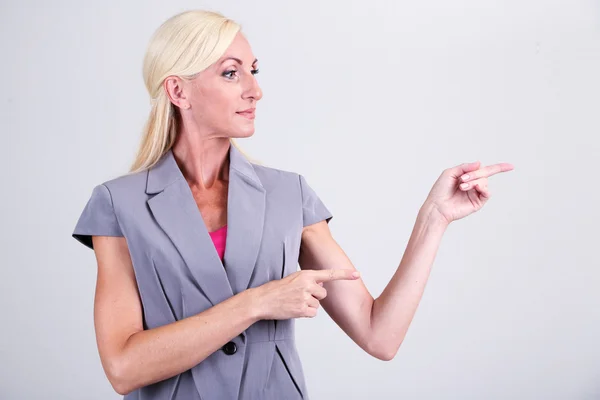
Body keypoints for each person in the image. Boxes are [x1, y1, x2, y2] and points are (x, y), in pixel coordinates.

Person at [72, 9, 514, 400]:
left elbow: (381, 335)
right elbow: (123, 368)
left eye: (254, 70)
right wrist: (257, 302)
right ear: (178, 91)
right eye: (231, 73)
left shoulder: (289, 194)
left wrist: (434, 218)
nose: (255, 90)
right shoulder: (118, 204)